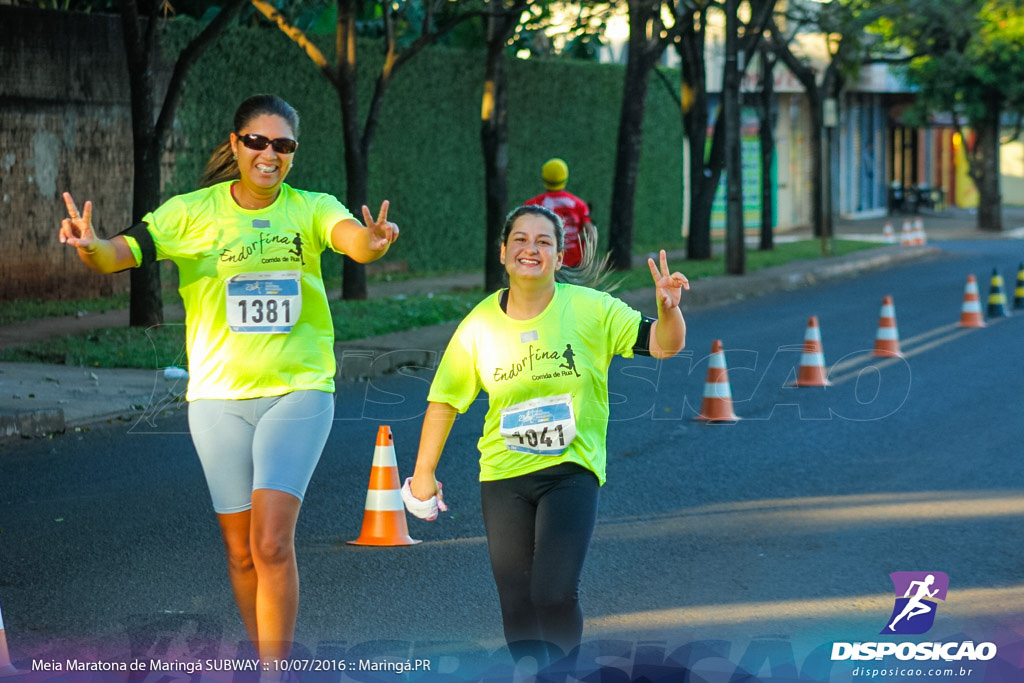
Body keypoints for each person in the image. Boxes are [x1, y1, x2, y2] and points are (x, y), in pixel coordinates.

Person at [57, 94, 399, 676]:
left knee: (270, 542)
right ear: (237, 144)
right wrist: (91, 247)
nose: (270, 155)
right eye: (258, 142)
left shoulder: (312, 208)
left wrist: (373, 240)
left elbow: (352, 240)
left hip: (300, 388)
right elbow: (121, 252)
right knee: (240, 553)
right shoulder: (191, 212)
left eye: (283, 145)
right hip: (217, 398)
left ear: (293, 153)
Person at [406, 205, 688, 671]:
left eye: (543, 242)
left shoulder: (591, 309)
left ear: (559, 257)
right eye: (520, 239)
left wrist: (668, 309)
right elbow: (445, 399)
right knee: (517, 603)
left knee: (553, 594)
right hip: (503, 474)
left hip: (570, 471)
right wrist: (422, 473)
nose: (530, 249)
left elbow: (664, 344)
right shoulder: (479, 324)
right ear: (502, 252)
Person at [524, 158, 596, 268]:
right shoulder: (579, 205)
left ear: (544, 178)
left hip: (544, 261)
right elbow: (591, 234)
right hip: (574, 263)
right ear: (566, 177)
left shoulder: (531, 205)